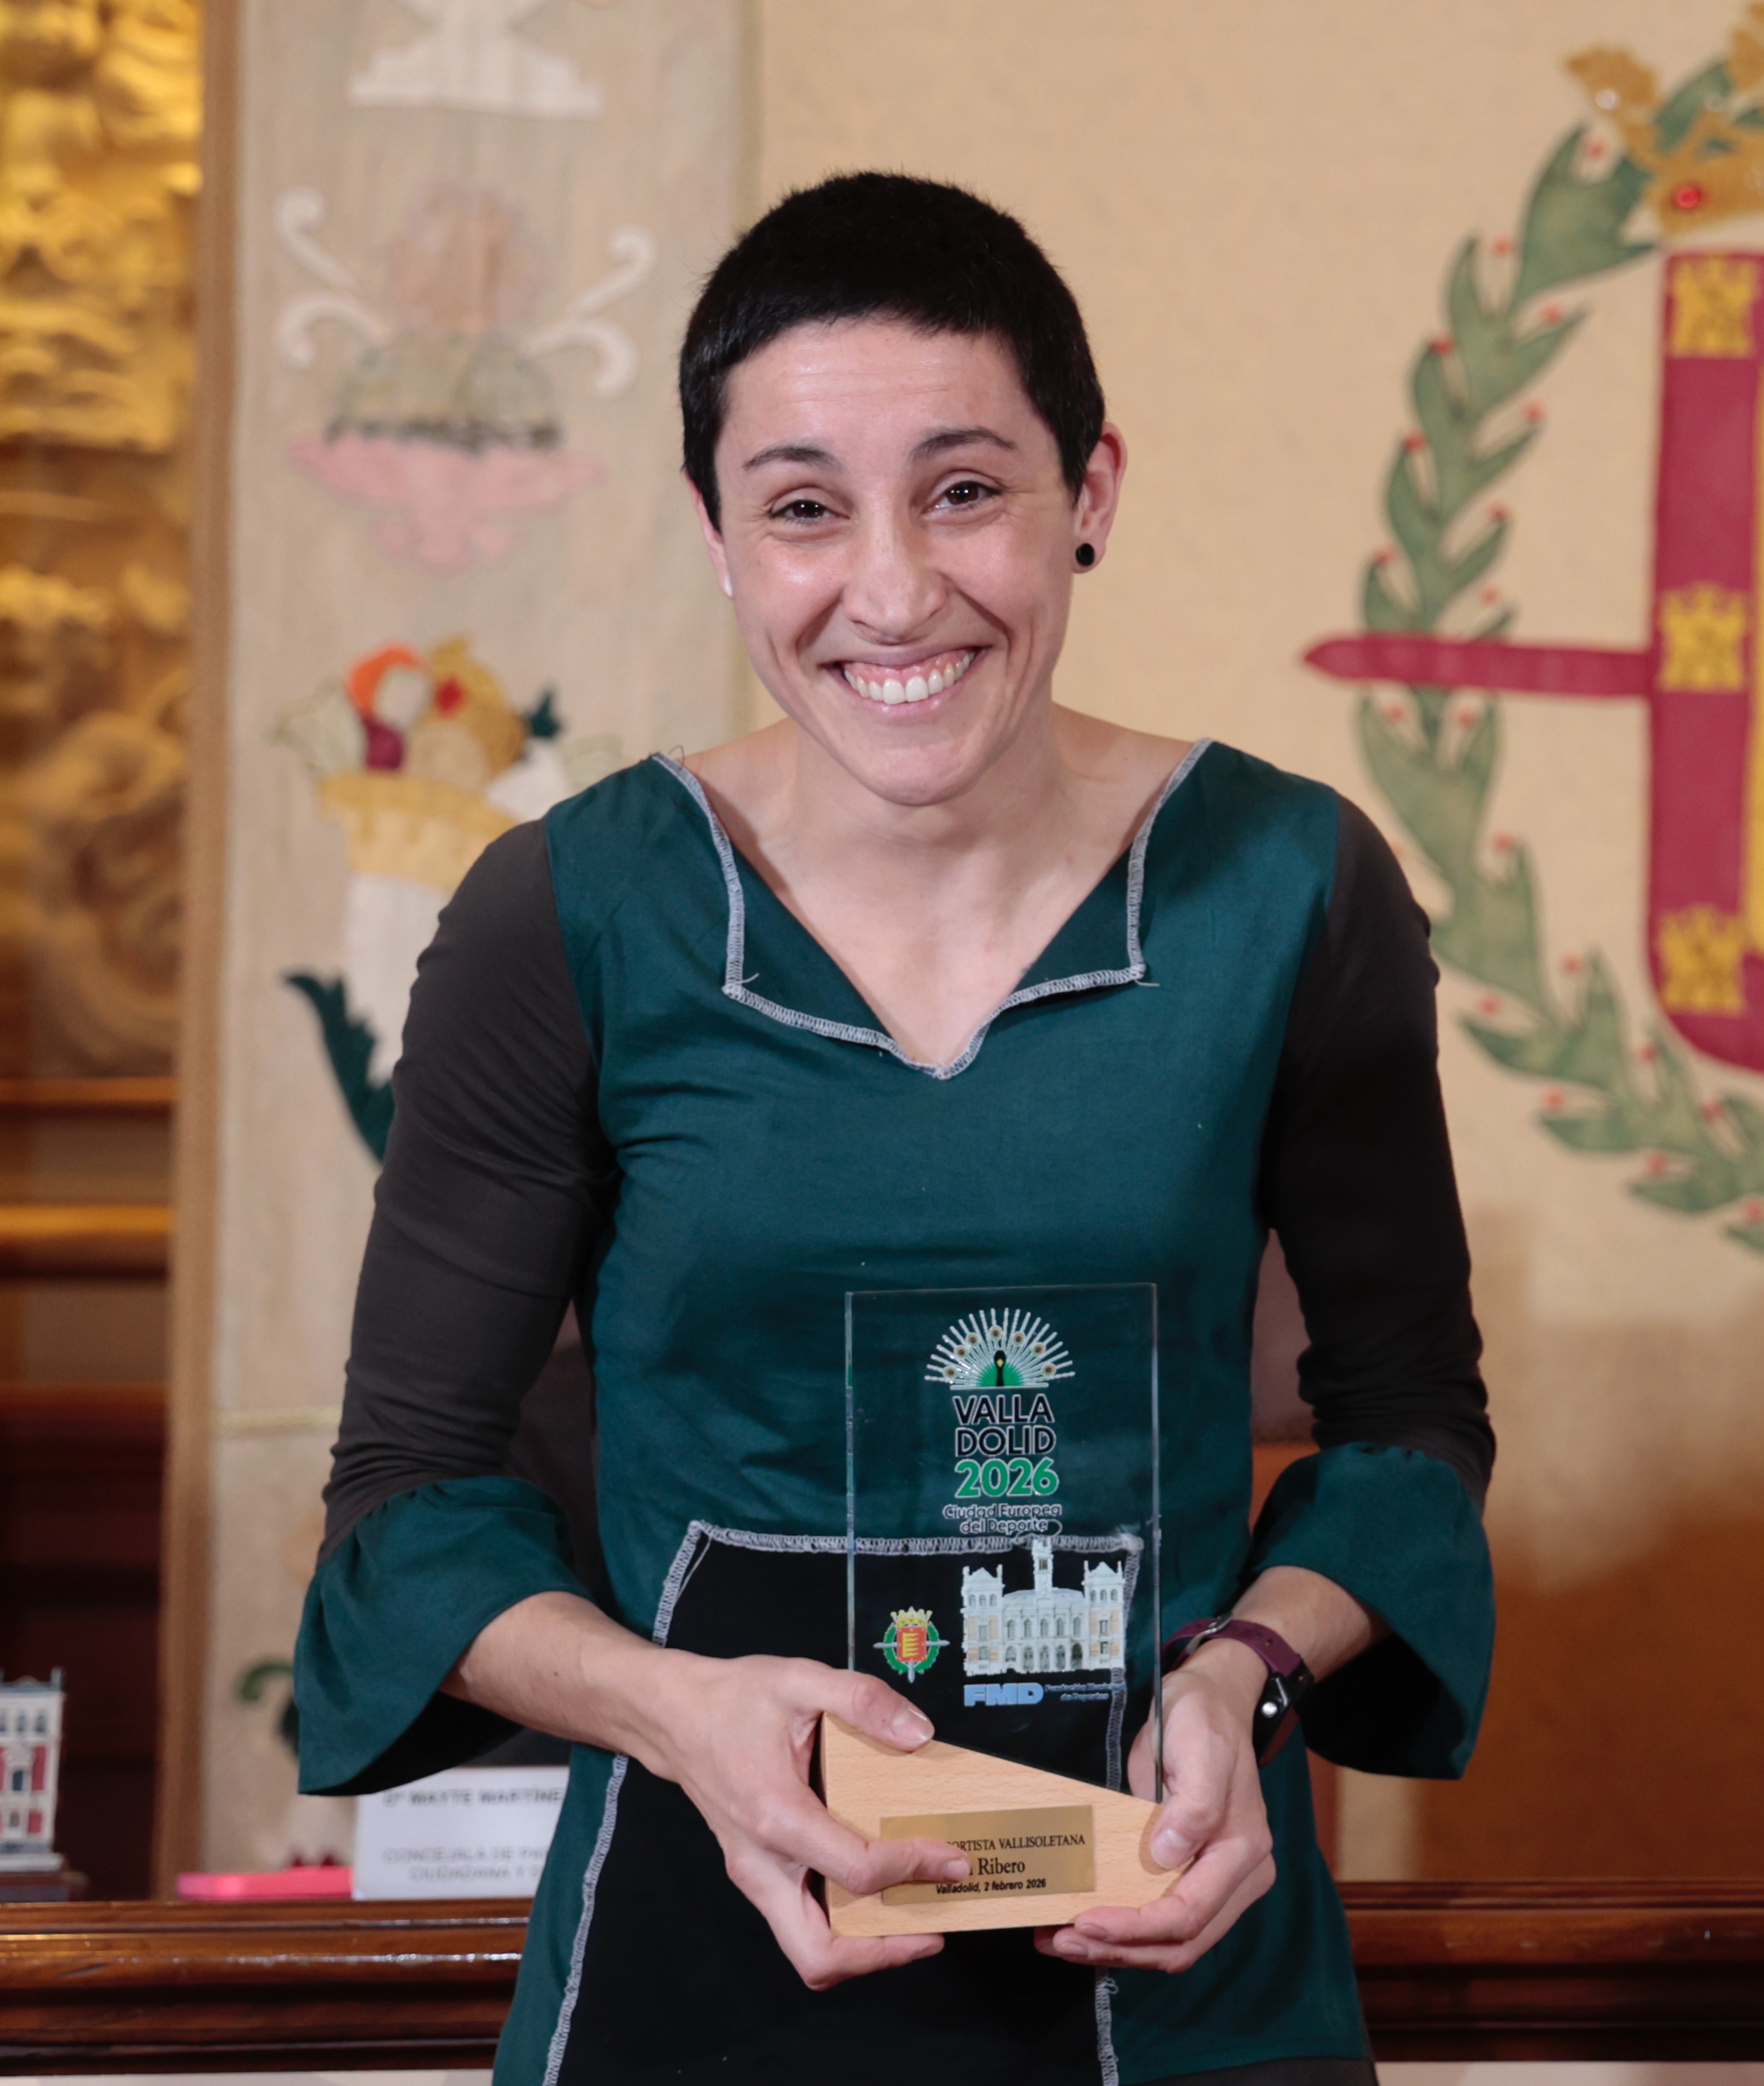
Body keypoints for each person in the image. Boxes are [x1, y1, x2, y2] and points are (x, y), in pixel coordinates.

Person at [295, 174, 1493, 2086]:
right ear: (717, 534)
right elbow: (410, 1499)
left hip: (1171, 1949)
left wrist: (1243, 1675)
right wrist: (677, 1713)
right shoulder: (571, 912)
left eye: (962, 489)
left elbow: (1410, 1423)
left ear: (1087, 489)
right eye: (801, 508)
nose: (892, 589)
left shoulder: (1290, 884)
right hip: (698, 1952)